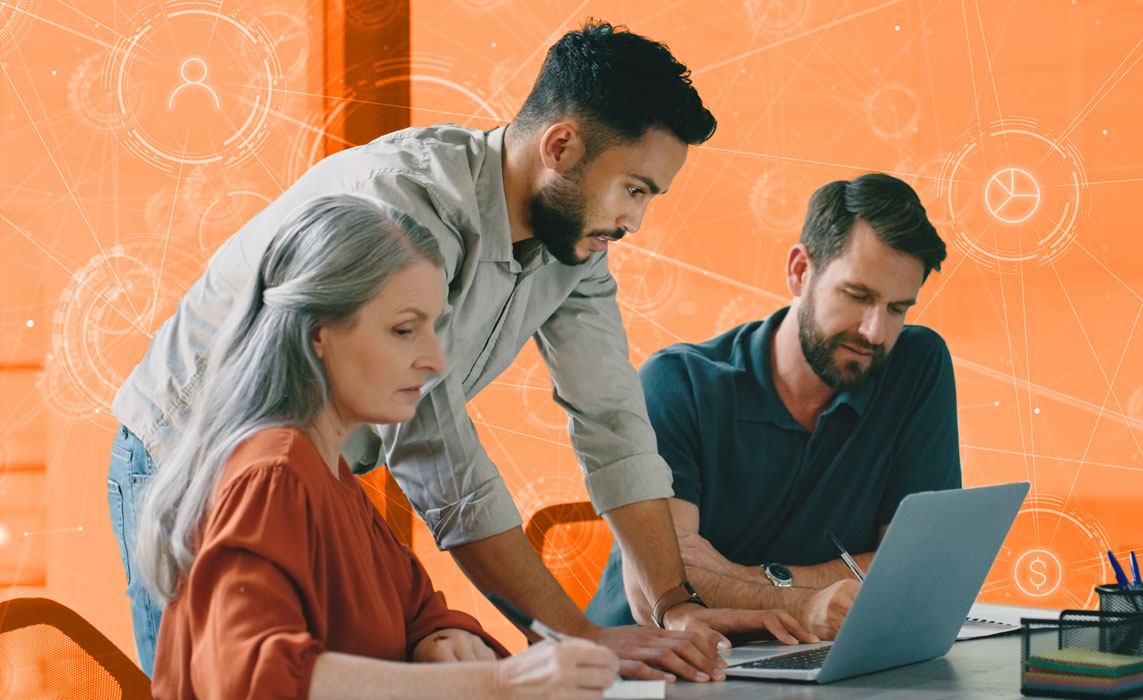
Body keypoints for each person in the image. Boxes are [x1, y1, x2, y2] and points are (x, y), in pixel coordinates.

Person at [109, 19, 813, 681]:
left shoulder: (575, 240)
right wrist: (577, 636)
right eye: (633, 188)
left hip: (319, 476)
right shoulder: (406, 211)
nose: (635, 219)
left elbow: (612, 419)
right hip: (189, 458)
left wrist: (671, 603)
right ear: (561, 147)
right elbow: (438, 454)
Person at [139, 194, 622, 699]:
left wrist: (441, 638)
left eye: (433, 328)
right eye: (404, 330)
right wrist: (497, 682)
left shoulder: (330, 470)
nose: (435, 360)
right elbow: (251, 679)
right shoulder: (273, 473)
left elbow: (416, 609)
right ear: (317, 332)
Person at [586, 173, 963, 634]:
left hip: (807, 654)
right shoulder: (678, 383)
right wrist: (808, 602)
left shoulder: (916, 365)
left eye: (898, 308)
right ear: (800, 271)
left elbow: (923, 567)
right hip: (654, 664)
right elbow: (662, 584)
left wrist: (756, 580)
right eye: (857, 296)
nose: (874, 331)